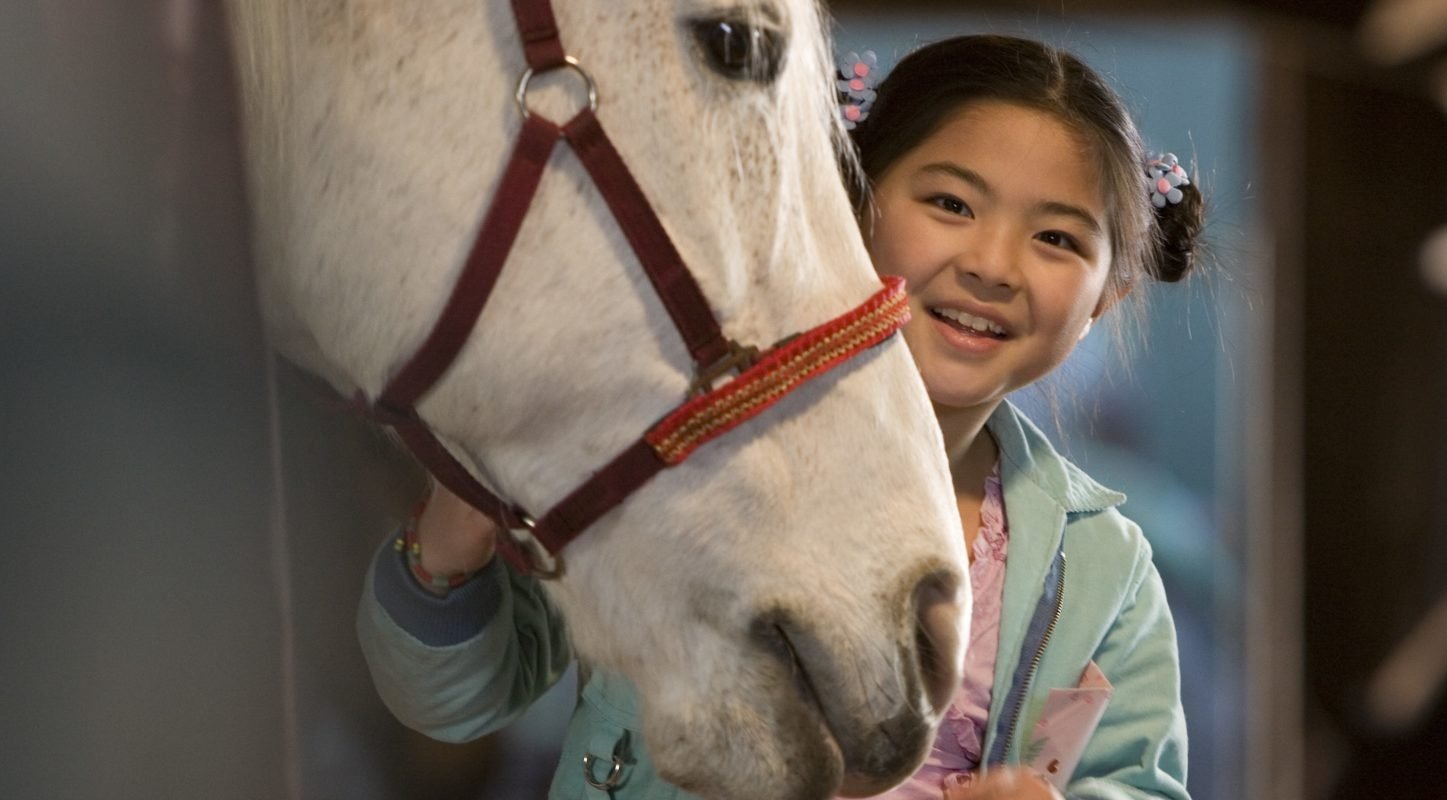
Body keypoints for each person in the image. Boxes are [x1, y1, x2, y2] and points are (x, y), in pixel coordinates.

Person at [357, 33, 1205, 800]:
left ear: (1108, 297)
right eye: (950, 203)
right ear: (845, 204)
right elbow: (450, 701)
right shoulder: (676, 454)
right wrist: (446, 550)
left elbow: (1140, 783)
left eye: (1057, 239)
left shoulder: (1105, 564)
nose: (991, 265)